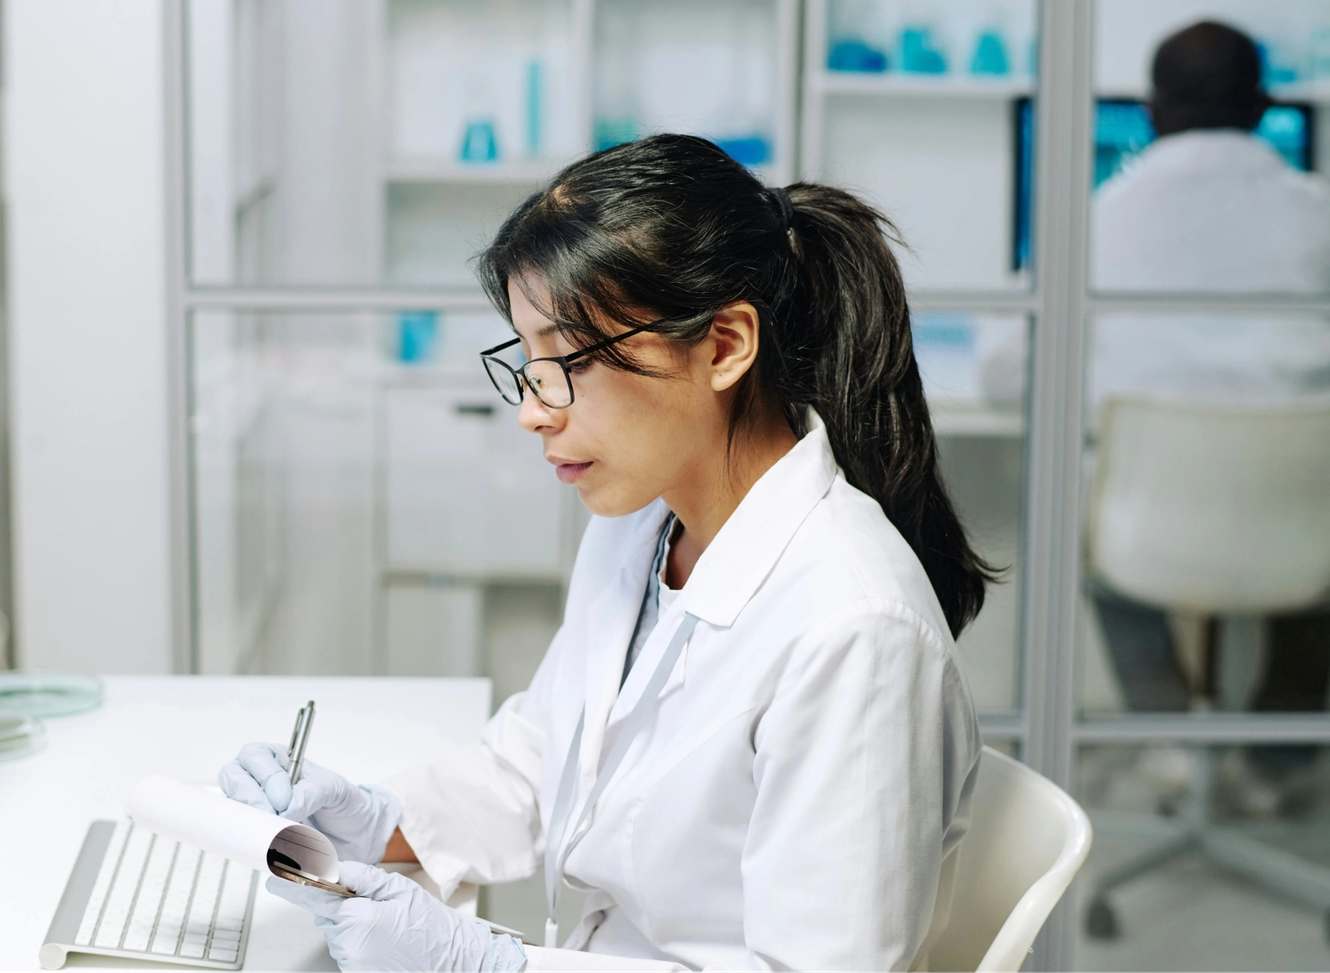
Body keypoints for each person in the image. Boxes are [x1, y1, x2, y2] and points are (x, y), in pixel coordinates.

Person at [221, 134, 993, 971]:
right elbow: (546, 761)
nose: (534, 410)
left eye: (569, 363)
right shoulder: (642, 527)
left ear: (726, 345)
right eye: (527, 363)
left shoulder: (855, 631)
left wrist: (490, 966)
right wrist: (372, 819)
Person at [1089, 21, 1330, 811]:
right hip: (1303, 537)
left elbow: (1004, 365)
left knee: (1085, 532)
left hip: (1144, 543)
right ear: (1264, 106)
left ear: (1152, 108)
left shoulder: (1098, 218)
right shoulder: (1317, 214)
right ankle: (1278, 758)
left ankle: (1163, 734)